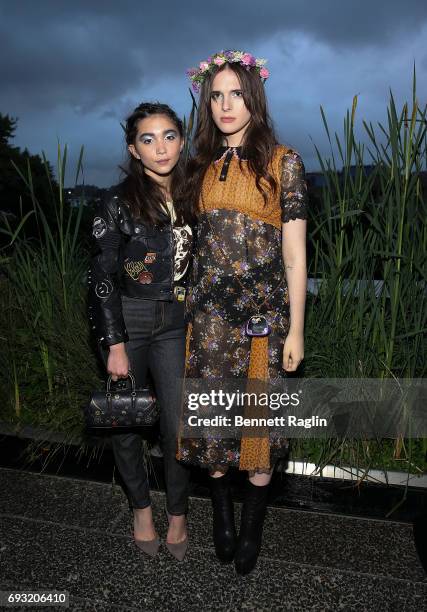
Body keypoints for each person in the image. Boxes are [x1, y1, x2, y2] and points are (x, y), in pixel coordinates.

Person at [177, 50, 308, 575]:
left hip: (263, 323)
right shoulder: (198, 168)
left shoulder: (284, 162)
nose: (225, 105)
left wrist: (297, 327)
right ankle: (222, 516)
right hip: (207, 320)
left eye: (236, 94)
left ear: (254, 97)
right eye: (216, 95)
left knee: (258, 429)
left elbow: (296, 255)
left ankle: (252, 525)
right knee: (212, 425)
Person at [88, 102, 195, 561]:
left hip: (177, 323)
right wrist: (113, 343)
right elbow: (101, 277)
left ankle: (178, 514)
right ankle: (141, 510)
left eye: (169, 136)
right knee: (126, 421)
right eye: (148, 139)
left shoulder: (196, 194)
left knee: (178, 425)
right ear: (133, 148)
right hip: (129, 320)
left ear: (182, 140)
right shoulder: (115, 201)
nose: (160, 147)